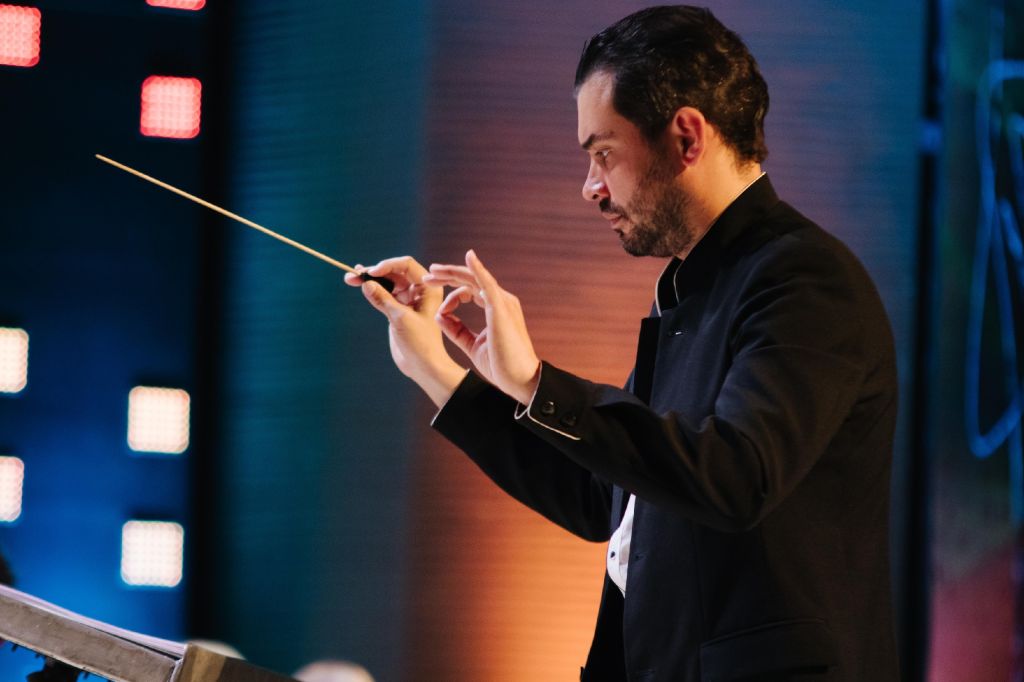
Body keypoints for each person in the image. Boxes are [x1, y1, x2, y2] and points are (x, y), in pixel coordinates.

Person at [345, 6, 899, 681]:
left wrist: (535, 382)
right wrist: (437, 368)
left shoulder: (804, 278)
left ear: (686, 136)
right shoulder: (696, 289)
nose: (590, 187)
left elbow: (736, 478)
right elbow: (599, 495)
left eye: (603, 153)